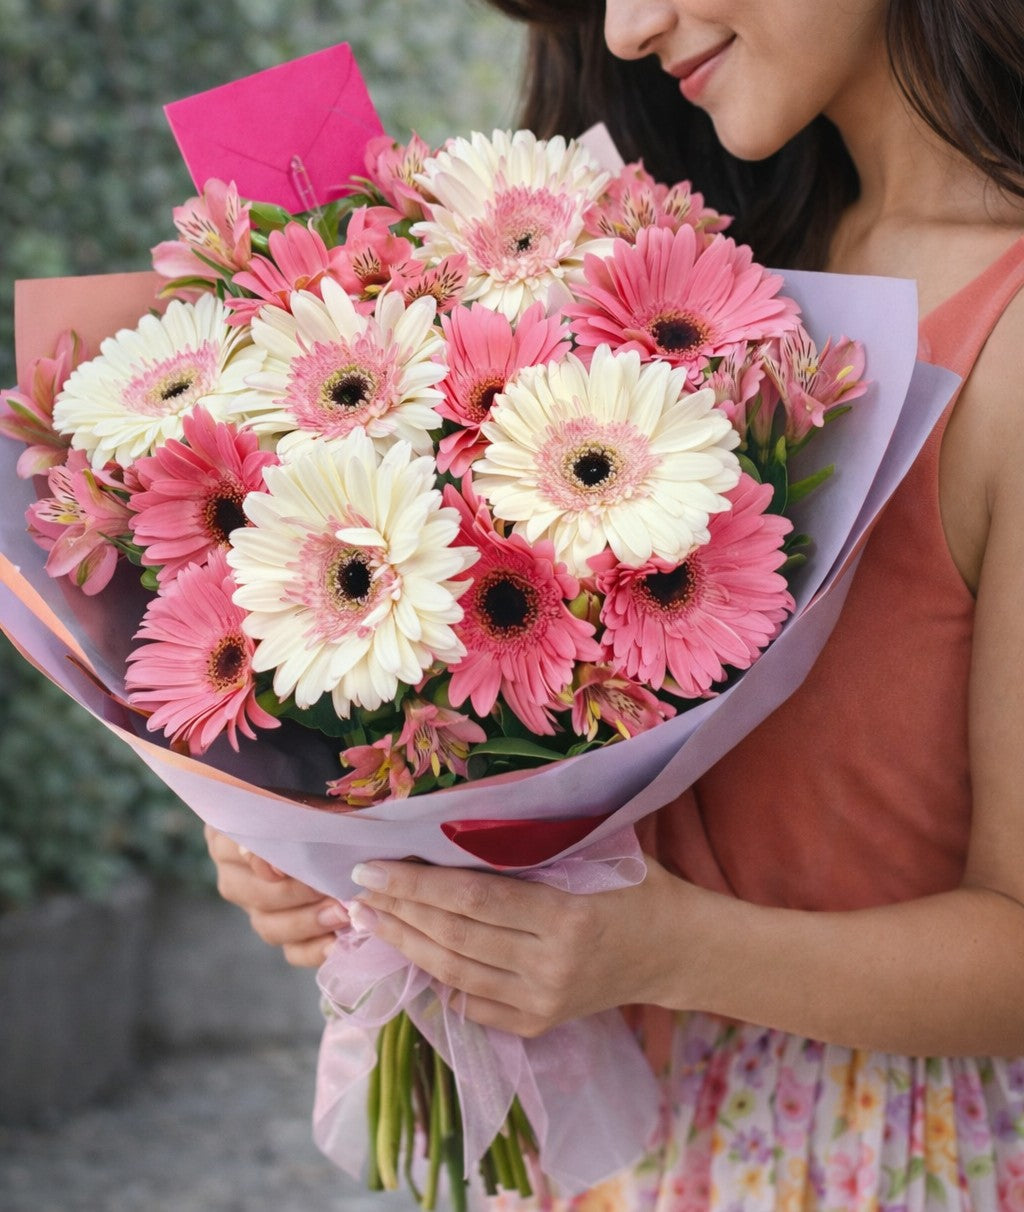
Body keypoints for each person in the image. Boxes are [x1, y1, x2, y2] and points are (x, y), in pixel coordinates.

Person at [207, 0, 1024, 1205]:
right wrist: (338, 853)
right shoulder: (689, 255)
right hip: (606, 1128)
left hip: (865, 1156)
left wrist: (671, 948)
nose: (632, 28)